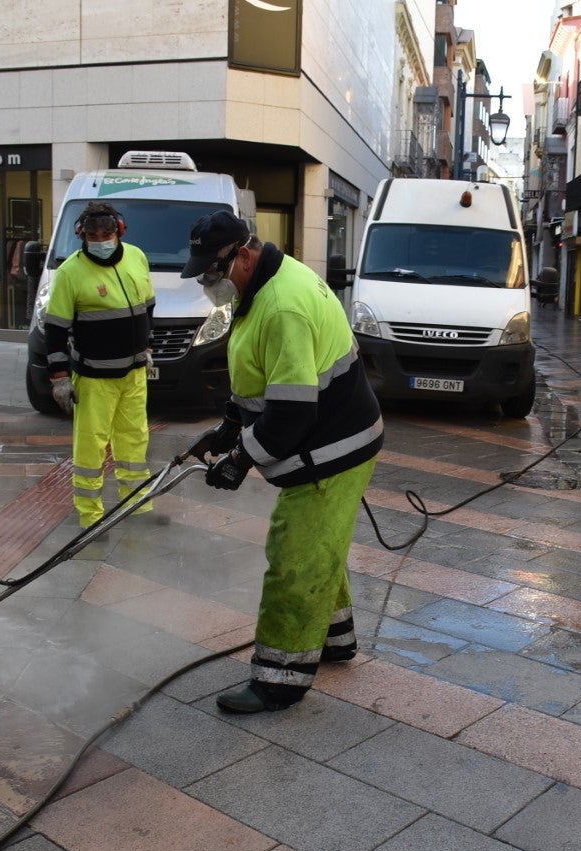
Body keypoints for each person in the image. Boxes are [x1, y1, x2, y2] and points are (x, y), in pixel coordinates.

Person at [184, 210, 384, 715]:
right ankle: (334, 642)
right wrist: (231, 424)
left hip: (332, 449)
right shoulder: (265, 285)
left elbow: (292, 411)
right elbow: (265, 374)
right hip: (333, 434)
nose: (210, 282)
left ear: (244, 255)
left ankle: (280, 678)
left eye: (214, 271)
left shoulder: (282, 307)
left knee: (295, 558)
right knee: (320, 547)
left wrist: (240, 460)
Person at [44, 201, 160, 529]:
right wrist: (60, 379)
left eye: (106, 233)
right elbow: (55, 330)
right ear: (81, 235)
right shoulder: (70, 272)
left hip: (134, 374)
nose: (100, 240)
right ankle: (90, 517)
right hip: (94, 379)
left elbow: (147, 308)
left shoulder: (136, 257)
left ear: (119, 230)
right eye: (93, 234)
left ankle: (137, 509)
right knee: (91, 448)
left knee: (134, 441)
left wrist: (147, 346)